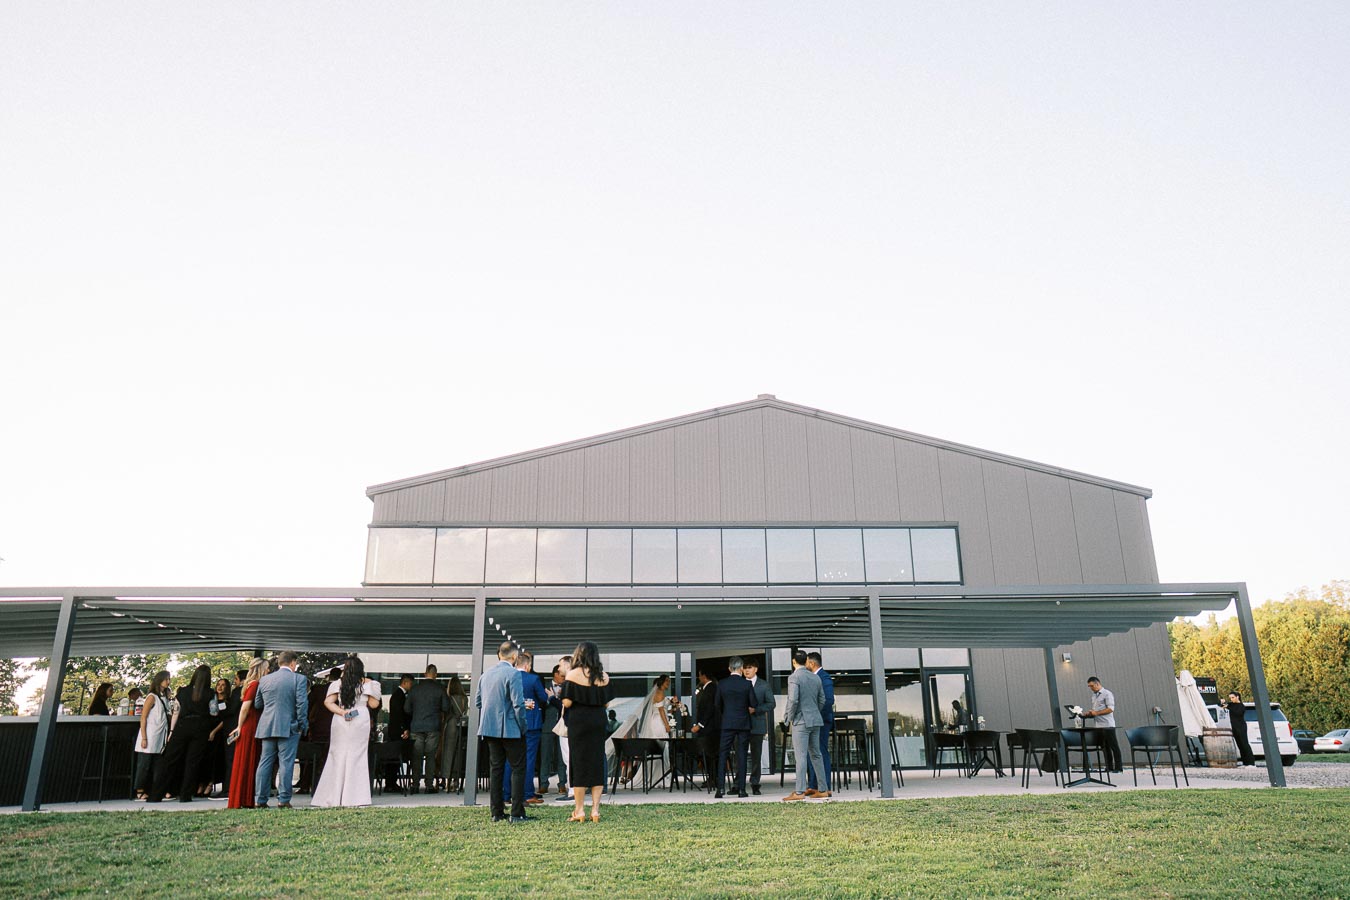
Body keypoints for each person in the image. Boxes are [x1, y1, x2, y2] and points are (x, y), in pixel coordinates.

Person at [312, 655, 383, 808]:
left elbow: (328, 702)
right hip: (360, 720)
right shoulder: (369, 684)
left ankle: (334, 794)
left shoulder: (338, 684)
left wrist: (342, 712)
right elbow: (374, 704)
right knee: (357, 756)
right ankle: (354, 796)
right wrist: (370, 691)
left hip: (340, 720)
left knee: (337, 754)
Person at [476, 641, 529, 823]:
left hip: (489, 729)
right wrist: (523, 726)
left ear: (499, 655)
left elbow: (477, 702)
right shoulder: (513, 674)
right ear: (514, 657)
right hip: (511, 729)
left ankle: (496, 813)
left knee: (496, 770)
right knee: (518, 769)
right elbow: (518, 705)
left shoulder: (485, 675)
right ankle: (516, 813)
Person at [561, 640, 614, 823]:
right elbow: (606, 703)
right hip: (598, 721)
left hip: (579, 721)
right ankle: (596, 810)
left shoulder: (572, 674)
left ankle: (579, 810)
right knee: (597, 762)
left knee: (579, 762)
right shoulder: (604, 677)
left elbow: (567, 702)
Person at [149, 664, 218, 803]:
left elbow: (176, 711)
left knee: (170, 760)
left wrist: (172, 731)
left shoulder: (182, 691)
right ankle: (186, 795)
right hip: (201, 728)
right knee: (193, 762)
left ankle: (155, 795)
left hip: (182, 726)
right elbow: (214, 712)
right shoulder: (211, 693)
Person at [253, 650, 308, 809]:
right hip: (289, 726)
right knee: (286, 763)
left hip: (267, 725)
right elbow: (302, 704)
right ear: (292, 663)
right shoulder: (299, 679)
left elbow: (258, 704)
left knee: (265, 762)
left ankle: (260, 799)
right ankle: (283, 799)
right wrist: (302, 724)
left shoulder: (264, 680)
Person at [503, 652, 548, 806]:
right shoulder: (533, 679)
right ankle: (528, 793)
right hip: (531, 723)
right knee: (529, 758)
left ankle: (507, 793)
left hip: (513, 723)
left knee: (511, 759)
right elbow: (543, 698)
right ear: (528, 665)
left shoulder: (509, 677)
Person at [783, 650, 828, 801]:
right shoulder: (815, 678)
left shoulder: (794, 677)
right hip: (815, 720)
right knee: (816, 754)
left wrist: (789, 717)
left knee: (801, 756)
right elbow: (822, 699)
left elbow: (793, 700)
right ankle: (823, 789)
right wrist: (814, 711)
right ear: (806, 661)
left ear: (794, 662)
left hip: (801, 721)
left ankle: (799, 792)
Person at [226, 657, 266, 808]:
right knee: (246, 760)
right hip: (250, 725)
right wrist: (239, 726)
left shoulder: (250, 684)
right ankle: (244, 798)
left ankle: (242, 798)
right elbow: (245, 707)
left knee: (246, 760)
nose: (269, 670)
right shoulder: (255, 684)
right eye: (267, 668)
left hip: (250, 724)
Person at [714, 657, 755, 799]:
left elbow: (717, 704)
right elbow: (753, 702)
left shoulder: (722, 684)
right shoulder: (747, 684)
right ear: (741, 668)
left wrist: (725, 715)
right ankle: (742, 790)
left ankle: (720, 789)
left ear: (729, 668)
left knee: (723, 754)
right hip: (743, 723)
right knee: (742, 755)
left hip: (727, 723)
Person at [406, 664, 450, 793]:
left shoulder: (415, 689)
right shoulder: (440, 689)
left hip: (417, 726)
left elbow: (407, 708)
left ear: (425, 674)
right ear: (435, 674)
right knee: (431, 755)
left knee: (417, 755)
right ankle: (429, 785)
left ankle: (415, 784)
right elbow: (446, 708)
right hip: (433, 726)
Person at [132, 670, 172, 801]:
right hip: (150, 734)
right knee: (144, 764)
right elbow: (143, 717)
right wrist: (144, 737)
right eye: (166, 679)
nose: (168, 682)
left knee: (157, 764)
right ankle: (140, 790)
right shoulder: (151, 697)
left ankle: (157, 788)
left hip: (160, 735)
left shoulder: (164, 697)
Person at [743, 660, 776, 796]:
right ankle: (738, 783)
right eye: (744, 668)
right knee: (740, 755)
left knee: (756, 756)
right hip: (741, 725)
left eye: (749, 667)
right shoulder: (740, 683)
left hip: (757, 723)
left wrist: (756, 710)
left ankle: (755, 783)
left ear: (756, 669)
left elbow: (771, 703)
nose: (746, 670)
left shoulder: (764, 685)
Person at [805, 652, 834, 794]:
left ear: (812, 663)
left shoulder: (824, 677)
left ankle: (825, 786)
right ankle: (813, 785)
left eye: (806, 663)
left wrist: (815, 714)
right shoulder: (811, 678)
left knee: (820, 751)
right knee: (811, 752)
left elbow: (828, 700)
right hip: (812, 721)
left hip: (821, 721)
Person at [197, 678, 230, 797]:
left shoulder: (227, 702)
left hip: (219, 732)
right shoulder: (211, 698)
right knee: (204, 758)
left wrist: (214, 732)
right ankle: (201, 782)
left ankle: (210, 783)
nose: (220, 687)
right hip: (207, 730)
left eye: (223, 685)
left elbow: (225, 720)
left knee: (214, 759)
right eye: (218, 684)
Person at [539, 664, 568, 797]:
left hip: (562, 724)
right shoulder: (544, 685)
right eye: (562, 676)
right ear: (555, 674)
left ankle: (562, 784)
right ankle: (543, 784)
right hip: (547, 724)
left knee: (562, 756)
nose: (564, 678)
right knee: (545, 755)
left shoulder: (568, 686)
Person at [1084, 676, 1122, 774]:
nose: (1091, 688)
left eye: (1092, 686)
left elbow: (1110, 709)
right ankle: (1109, 767)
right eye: (1089, 687)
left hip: (1108, 725)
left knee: (1114, 746)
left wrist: (1096, 713)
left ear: (1097, 684)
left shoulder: (1107, 694)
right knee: (1104, 747)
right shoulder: (1094, 696)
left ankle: (1119, 767)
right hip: (1098, 725)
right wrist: (1090, 714)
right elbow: (1096, 711)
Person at [690, 670, 721, 788]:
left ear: (703, 675)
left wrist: (700, 725)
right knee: (708, 755)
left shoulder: (711, 688)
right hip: (709, 728)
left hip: (710, 729)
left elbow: (709, 708)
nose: (698, 677)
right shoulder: (708, 688)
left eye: (699, 675)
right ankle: (712, 777)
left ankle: (713, 778)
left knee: (709, 754)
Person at [384, 674, 414, 793]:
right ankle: (390, 783)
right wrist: (404, 729)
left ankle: (391, 782)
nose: (411, 686)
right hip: (397, 731)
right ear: (405, 682)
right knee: (395, 756)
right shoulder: (399, 696)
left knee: (395, 757)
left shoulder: (398, 695)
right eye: (411, 683)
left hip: (396, 730)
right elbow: (398, 715)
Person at [439, 676, 468, 792]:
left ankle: (446, 779)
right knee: (458, 754)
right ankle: (456, 779)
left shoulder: (449, 697)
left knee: (448, 752)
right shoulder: (464, 698)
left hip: (451, 725)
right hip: (462, 725)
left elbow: (446, 711)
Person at [1223, 691, 1256, 767]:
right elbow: (1221, 705)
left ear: (1237, 697)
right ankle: (1245, 762)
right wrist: (1222, 702)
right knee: (1240, 745)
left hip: (1241, 727)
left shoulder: (1241, 706)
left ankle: (1251, 763)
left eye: (1233, 697)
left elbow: (1237, 713)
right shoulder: (1231, 704)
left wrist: (1228, 707)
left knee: (1244, 744)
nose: (1231, 699)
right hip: (1234, 727)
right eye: (1230, 698)